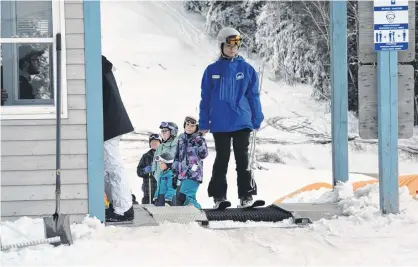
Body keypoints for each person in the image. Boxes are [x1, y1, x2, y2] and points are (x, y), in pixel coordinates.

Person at [198, 27, 264, 208]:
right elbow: (205, 99)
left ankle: (246, 196)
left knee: (243, 159)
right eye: (228, 46)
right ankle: (219, 197)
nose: (232, 49)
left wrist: (257, 117)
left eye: (236, 46)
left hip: (242, 121)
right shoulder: (211, 71)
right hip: (220, 124)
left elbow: (253, 96)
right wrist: (203, 123)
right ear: (221, 46)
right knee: (223, 158)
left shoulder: (247, 69)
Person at [102, 55, 135, 222]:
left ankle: (123, 208)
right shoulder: (101, 66)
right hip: (110, 123)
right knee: (107, 168)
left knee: (113, 167)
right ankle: (117, 205)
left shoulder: (96, 67)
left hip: (110, 125)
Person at [172, 116, 208, 209]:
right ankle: (190, 218)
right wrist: (174, 173)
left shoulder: (199, 139)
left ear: (196, 128)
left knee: (186, 197)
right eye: (187, 125)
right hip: (182, 174)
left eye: (192, 126)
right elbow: (177, 157)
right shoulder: (181, 138)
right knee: (180, 198)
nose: (189, 127)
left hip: (193, 173)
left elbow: (204, 155)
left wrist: (199, 140)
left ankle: (200, 214)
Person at [137, 133, 162, 204]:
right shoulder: (145, 156)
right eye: (152, 142)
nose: (154, 143)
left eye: (156, 142)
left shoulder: (164, 156)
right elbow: (139, 172)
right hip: (148, 191)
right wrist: (144, 170)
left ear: (160, 143)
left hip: (161, 191)